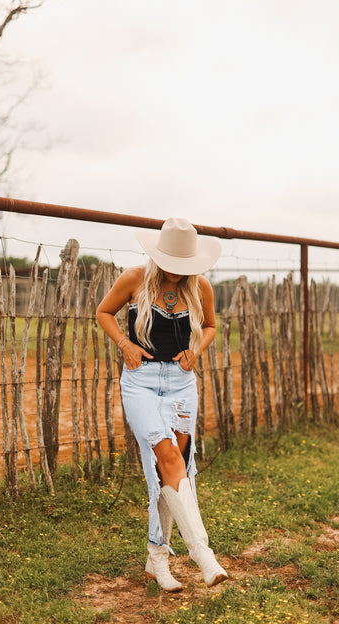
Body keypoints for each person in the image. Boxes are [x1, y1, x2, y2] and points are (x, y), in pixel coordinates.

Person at [96, 217, 228, 591]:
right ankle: (203, 554)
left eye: (182, 265)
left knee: (175, 470)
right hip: (141, 382)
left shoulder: (200, 286)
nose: (175, 272)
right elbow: (103, 312)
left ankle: (157, 557)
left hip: (182, 384)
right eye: (171, 263)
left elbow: (213, 327)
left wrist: (195, 350)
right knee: (167, 458)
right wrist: (125, 344)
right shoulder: (135, 278)